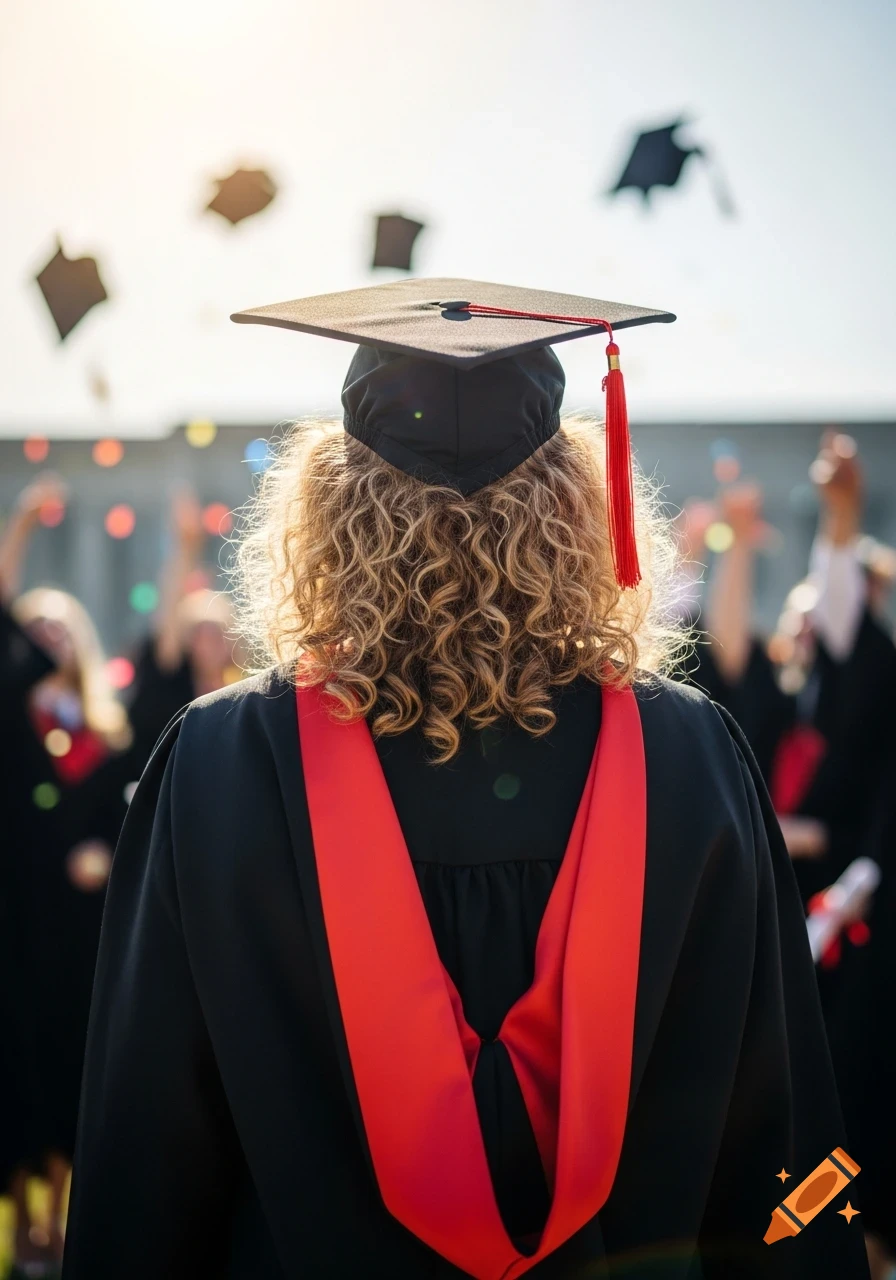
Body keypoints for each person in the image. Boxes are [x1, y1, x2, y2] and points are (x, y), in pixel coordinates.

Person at [63, 280, 869, 1280]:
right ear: (578, 501)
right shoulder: (691, 759)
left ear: (329, 505)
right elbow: (777, 1118)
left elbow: (146, 1151)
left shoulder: (220, 768)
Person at [0, 475, 132, 1275]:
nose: (47, 635)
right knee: (18, 1065)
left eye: (60, 624)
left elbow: (125, 814)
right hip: (18, 924)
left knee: (78, 1066)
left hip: (82, 933)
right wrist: (18, 526)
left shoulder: (107, 732)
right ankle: (22, 1224)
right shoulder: (12, 720)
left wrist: (110, 856)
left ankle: (68, 1221)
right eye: (32, 625)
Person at [125, 487, 238, 771]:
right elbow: (168, 615)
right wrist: (186, 548)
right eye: (199, 631)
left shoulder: (243, 687)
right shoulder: (173, 677)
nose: (208, 640)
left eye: (217, 632)